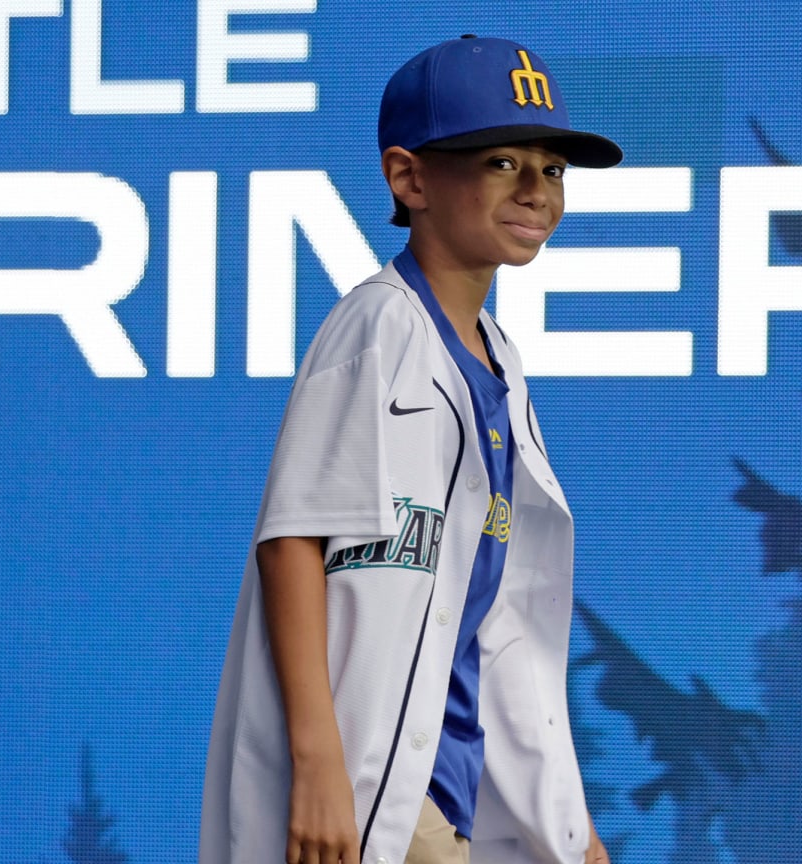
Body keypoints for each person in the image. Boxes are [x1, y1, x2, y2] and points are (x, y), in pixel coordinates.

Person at [200, 35, 622, 864]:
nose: (537, 190)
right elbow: (292, 540)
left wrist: (565, 821)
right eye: (501, 161)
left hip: (454, 778)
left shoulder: (497, 361)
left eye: (554, 167)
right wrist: (320, 766)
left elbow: (494, 625)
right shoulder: (380, 324)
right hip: (372, 782)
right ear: (409, 178)